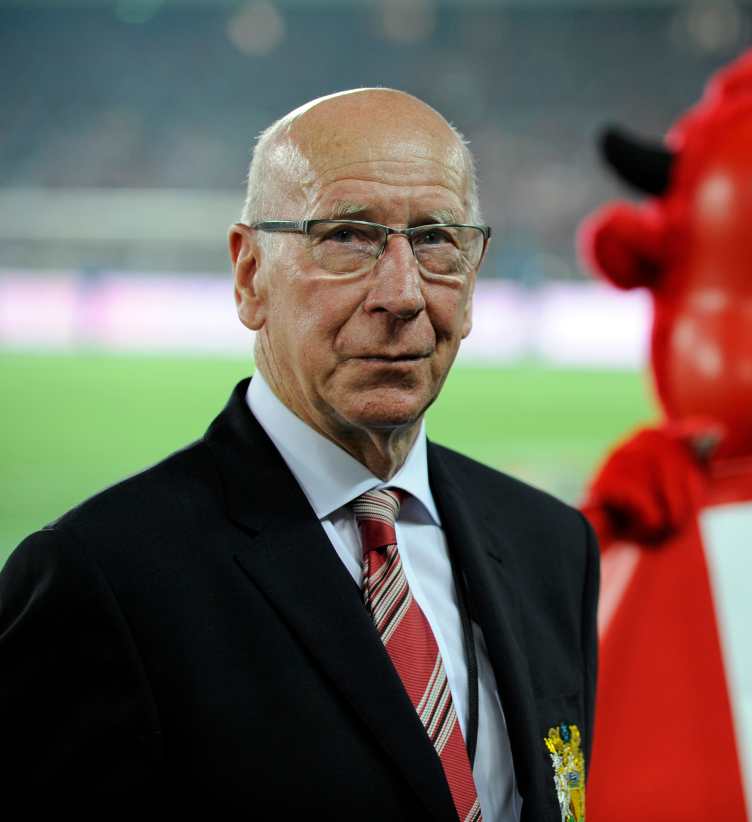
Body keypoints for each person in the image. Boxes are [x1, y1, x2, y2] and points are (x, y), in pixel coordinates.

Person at [0, 88, 598, 820]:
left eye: (437, 239)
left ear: (473, 278)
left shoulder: (553, 548)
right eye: (347, 236)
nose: (403, 294)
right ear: (250, 273)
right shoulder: (100, 581)